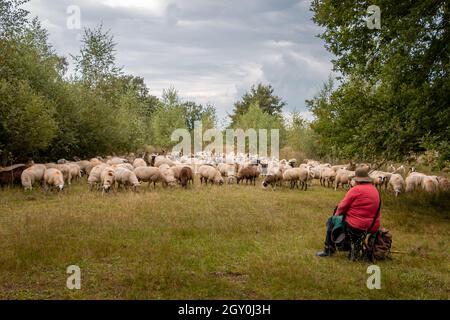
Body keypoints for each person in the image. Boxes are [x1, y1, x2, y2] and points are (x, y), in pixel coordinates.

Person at [316, 167, 381, 258]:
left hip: (357, 225)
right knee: (346, 223)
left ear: (357, 180)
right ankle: (354, 247)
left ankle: (329, 249)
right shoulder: (375, 190)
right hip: (373, 226)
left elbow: (341, 207)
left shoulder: (355, 190)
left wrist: (336, 216)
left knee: (332, 221)